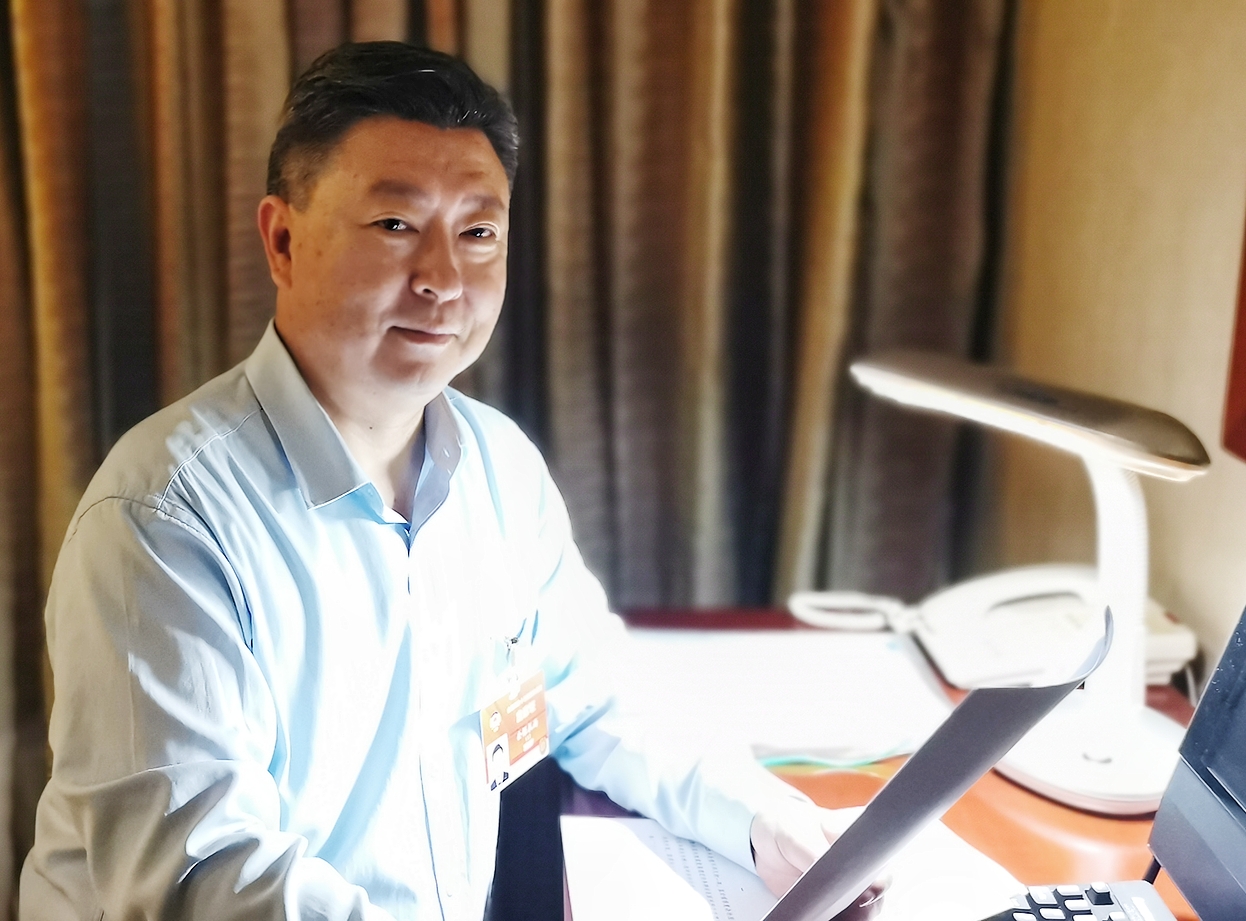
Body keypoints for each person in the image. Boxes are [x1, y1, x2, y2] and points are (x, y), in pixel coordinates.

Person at [19, 42, 840, 920]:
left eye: (479, 232)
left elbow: (593, 695)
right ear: (283, 240)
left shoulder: (500, 467)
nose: (444, 280)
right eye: (395, 225)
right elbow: (204, 876)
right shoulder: (163, 518)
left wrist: (764, 819)